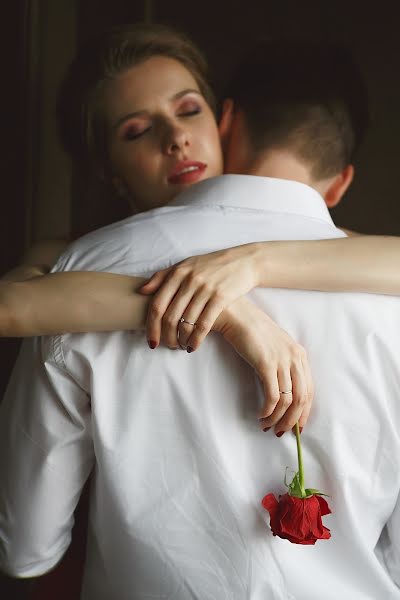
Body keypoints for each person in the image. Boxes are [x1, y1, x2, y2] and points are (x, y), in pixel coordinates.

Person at [1, 25, 400, 599]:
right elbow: (14, 304)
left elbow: (25, 548)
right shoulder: (67, 266)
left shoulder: (345, 260)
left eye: (188, 110)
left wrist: (253, 265)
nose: (175, 139)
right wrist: (233, 314)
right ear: (109, 168)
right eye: (136, 129)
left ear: (224, 122)